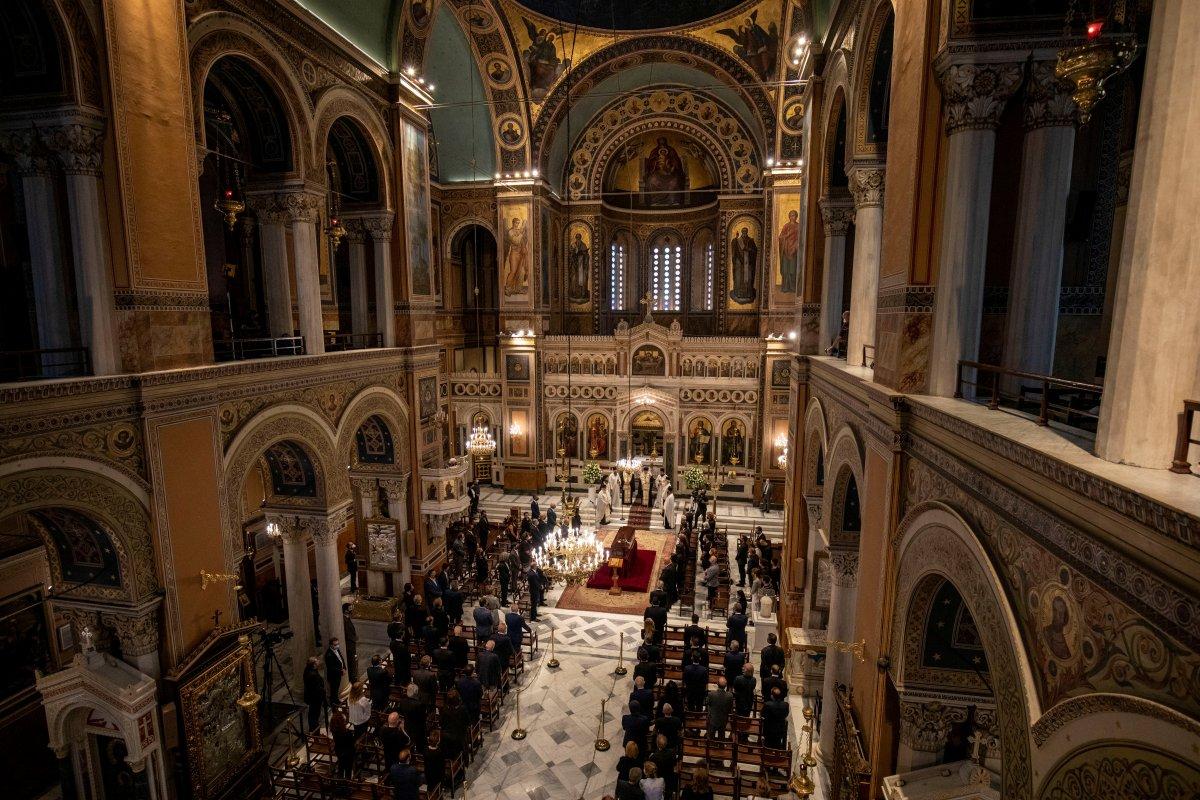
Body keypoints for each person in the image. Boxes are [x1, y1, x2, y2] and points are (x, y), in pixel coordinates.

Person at [396, 683, 427, 751]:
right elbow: (423, 718)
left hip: (407, 726)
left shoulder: (402, 701)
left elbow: (400, 713)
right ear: (416, 692)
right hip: (418, 728)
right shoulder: (419, 704)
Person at [440, 689, 469, 760]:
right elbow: (467, 721)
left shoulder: (444, 709)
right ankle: (464, 760)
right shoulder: (462, 709)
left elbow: (441, 723)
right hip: (459, 736)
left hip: (447, 735)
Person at [330, 707, 357, 778]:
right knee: (348, 769)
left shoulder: (334, 730)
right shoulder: (347, 733)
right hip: (348, 752)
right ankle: (347, 782)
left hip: (339, 750)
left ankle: (340, 781)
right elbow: (352, 743)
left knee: (341, 765)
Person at [303, 656, 327, 732]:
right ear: (314, 664)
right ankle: (315, 731)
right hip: (315, 698)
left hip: (312, 696)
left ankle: (313, 729)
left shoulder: (308, 670)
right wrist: (323, 692)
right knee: (314, 714)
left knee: (313, 713)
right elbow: (316, 688)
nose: (318, 661)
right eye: (317, 661)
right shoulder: (312, 674)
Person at [324, 637, 346, 702]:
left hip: (338, 674)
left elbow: (341, 659)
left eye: (338, 644)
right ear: (331, 645)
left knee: (336, 688)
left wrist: (344, 667)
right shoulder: (329, 655)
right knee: (334, 690)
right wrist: (341, 671)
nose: (337, 646)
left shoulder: (337, 650)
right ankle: (334, 702)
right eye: (335, 644)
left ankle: (336, 700)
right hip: (333, 676)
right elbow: (331, 668)